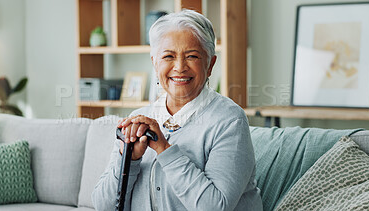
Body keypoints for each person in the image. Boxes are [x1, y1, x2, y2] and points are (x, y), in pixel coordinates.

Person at [92, 9, 263, 211]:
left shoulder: (229, 120)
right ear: (155, 63)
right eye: (168, 56)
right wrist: (129, 157)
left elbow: (215, 207)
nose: (180, 67)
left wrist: (164, 149)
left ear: (210, 64)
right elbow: (103, 206)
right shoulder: (138, 120)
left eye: (192, 56)